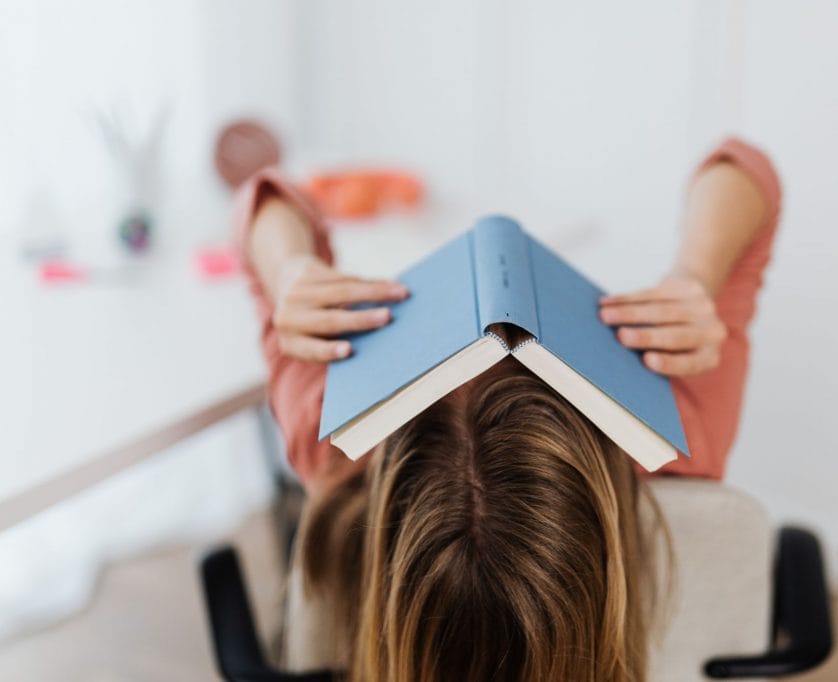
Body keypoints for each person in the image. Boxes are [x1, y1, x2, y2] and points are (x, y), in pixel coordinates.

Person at [236, 137, 781, 681]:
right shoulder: (673, 423)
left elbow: (264, 199)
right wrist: (695, 277)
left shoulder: (335, 432)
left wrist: (290, 272)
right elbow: (743, 168)